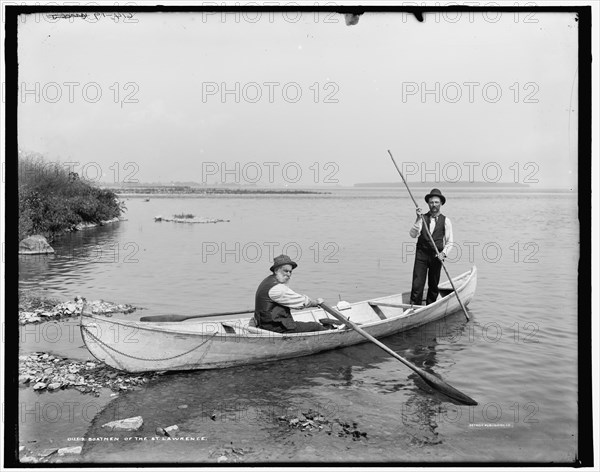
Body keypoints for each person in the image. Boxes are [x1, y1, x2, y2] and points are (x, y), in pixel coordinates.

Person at [254, 254, 329, 333]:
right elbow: (301, 302)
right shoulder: (277, 289)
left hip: (264, 324)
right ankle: (330, 333)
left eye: (290, 271)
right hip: (275, 328)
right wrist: (316, 302)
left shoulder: (267, 281)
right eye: (285, 271)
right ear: (276, 271)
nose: (289, 274)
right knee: (315, 326)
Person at [408, 188, 454, 306]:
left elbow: (450, 242)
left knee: (433, 285)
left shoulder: (446, 221)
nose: (434, 205)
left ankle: (430, 307)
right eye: (431, 202)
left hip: (436, 256)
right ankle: (414, 308)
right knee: (417, 285)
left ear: (441, 204)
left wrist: (443, 254)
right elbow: (413, 235)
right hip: (421, 256)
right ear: (428, 204)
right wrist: (418, 218)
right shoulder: (422, 218)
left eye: (436, 202)